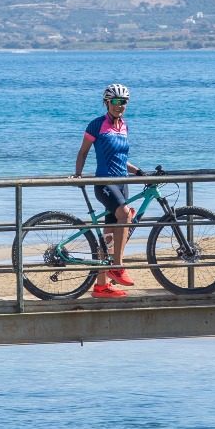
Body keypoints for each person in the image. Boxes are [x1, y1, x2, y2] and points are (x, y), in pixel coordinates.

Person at [75, 82, 142, 299]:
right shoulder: (97, 125)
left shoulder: (124, 126)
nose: (119, 105)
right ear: (106, 103)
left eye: (123, 102)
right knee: (125, 214)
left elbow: (121, 159)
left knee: (109, 237)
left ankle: (101, 286)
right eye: (114, 101)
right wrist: (78, 175)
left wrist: (139, 171)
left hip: (122, 183)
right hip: (104, 183)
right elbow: (83, 152)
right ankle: (117, 266)